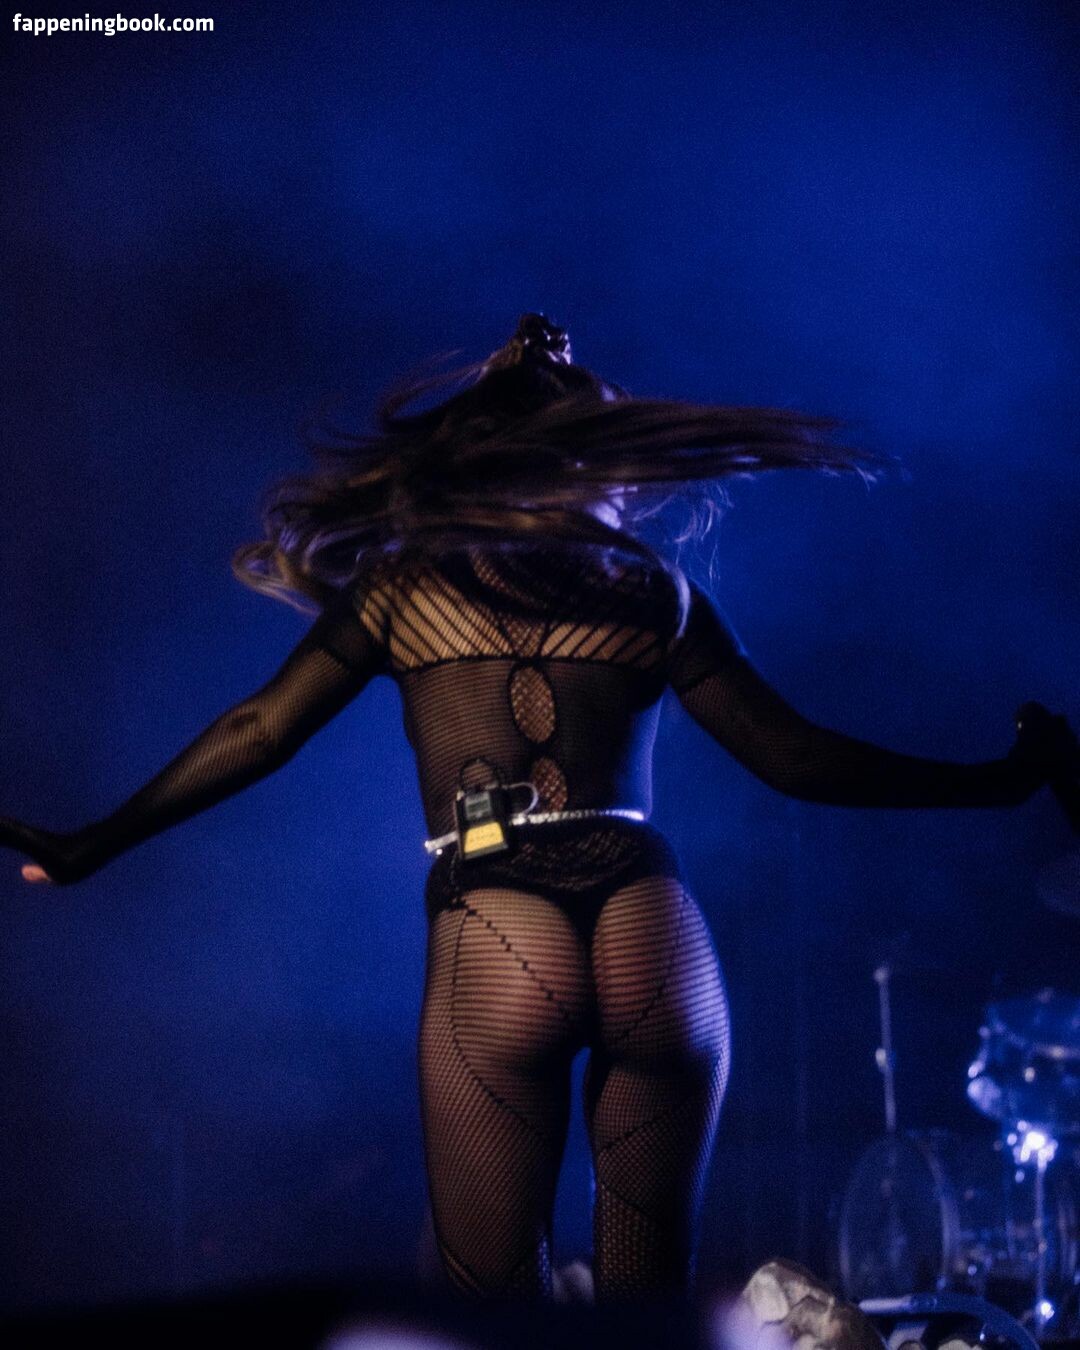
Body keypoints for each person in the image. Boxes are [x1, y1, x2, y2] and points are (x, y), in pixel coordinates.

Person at [2, 314, 1077, 1303]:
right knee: (646, 1315)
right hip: (652, 927)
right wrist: (994, 779)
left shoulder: (407, 585)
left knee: (495, 1313)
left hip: (498, 921)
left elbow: (260, 729)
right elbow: (795, 757)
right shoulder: (652, 589)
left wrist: (96, 841)